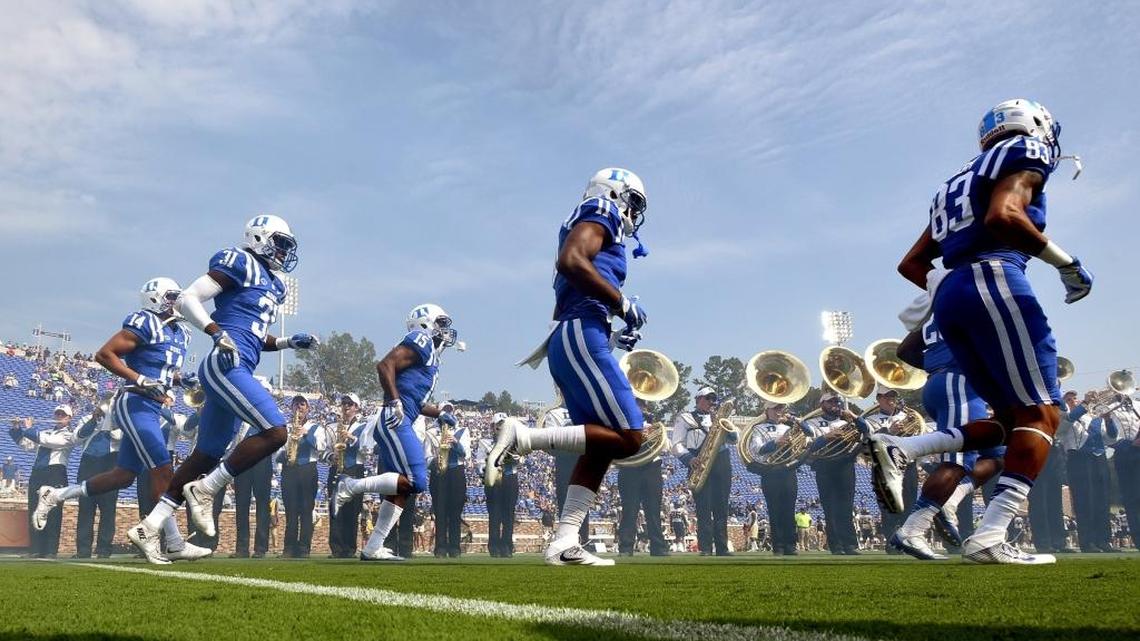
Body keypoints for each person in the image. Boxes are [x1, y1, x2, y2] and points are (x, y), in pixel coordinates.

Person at [872, 98, 1092, 564]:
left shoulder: (958, 180)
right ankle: (991, 535)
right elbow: (1003, 216)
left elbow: (912, 263)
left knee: (1014, 421)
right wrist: (1067, 265)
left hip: (955, 293)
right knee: (1043, 414)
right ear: (1034, 127)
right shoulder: (1024, 152)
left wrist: (949, 283)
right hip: (995, 276)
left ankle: (906, 448)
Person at [127, 216, 318, 564]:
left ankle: (151, 527)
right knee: (276, 431)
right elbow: (188, 298)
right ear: (259, 238)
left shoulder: (274, 285)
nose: (283, 251)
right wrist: (215, 331)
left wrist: (290, 341)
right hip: (226, 364)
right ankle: (206, 490)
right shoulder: (239, 261)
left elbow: (256, 337)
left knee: (207, 454)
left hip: (242, 361)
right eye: (280, 243)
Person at [486, 167, 650, 566]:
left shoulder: (595, 216)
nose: (635, 212)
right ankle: (523, 437)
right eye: (635, 201)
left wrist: (612, 333)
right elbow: (572, 260)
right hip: (580, 331)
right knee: (630, 437)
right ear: (618, 192)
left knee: (599, 446)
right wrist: (621, 304)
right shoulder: (600, 209)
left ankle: (564, 541)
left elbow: (578, 283)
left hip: (577, 332)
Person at [335, 304, 462, 561]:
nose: (444, 330)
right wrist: (394, 402)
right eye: (440, 323)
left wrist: (438, 412)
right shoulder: (421, 339)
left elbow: (414, 401)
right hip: (396, 420)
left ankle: (373, 547)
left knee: (402, 488)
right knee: (418, 481)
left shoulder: (430, 355)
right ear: (425, 323)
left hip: (402, 416)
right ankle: (350, 486)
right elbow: (384, 366)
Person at [886, 318, 1005, 561]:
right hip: (958, 385)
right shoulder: (976, 304)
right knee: (958, 461)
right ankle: (912, 529)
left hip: (950, 383)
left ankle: (950, 501)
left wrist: (934, 366)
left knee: (997, 454)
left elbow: (904, 349)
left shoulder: (941, 310)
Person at [671, 388, 736, 556]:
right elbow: (677, 443)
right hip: (697, 461)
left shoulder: (720, 417)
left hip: (721, 461)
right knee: (703, 508)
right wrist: (688, 459)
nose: (711, 403)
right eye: (708, 399)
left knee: (721, 507)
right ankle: (705, 547)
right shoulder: (685, 418)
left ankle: (722, 547)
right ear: (698, 399)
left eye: (713, 399)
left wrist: (722, 423)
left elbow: (734, 438)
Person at [9, 406, 76, 558]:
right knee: (35, 509)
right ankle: (35, 549)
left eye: (63, 415)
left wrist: (29, 428)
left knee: (52, 511)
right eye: (57, 414)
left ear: (69, 418)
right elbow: (27, 445)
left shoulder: (69, 435)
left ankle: (51, 550)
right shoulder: (45, 431)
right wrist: (16, 428)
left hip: (55, 472)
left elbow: (49, 441)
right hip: (38, 472)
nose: (59, 416)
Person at [803, 391, 863, 555]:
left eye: (837, 402)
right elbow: (810, 446)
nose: (835, 405)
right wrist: (827, 437)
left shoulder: (847, 421)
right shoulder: (813, 423)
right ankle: (835, 545)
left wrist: (854, 416)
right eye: (830, 402)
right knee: (830, 508)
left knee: (846, 507)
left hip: (845, 465)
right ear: (822, 404)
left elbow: (866, 432)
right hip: (824, 466)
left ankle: (849, 544)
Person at [863, 385, 916, 551]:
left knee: (909, 504)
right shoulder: (870, 420)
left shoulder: (909, 417)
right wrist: (889, 431)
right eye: (886, 396)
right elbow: (868, 444)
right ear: (878, 399)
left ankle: (908, 540)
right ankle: (892, 541)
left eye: (893, 396)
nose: (891, 399)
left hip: (908, 465)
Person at [743, 401, 800, 556]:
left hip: (788, 471)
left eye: (781, 407)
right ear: (767, 410)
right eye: (776, 408)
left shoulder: (788, 428)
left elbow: (804, 441)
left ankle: (790, 545)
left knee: (789, 510)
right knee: (774, 510)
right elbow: (756, 450)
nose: (779, 411)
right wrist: (775, 442)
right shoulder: (758, 428)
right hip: (770, 471)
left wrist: (795, 422)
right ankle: (778, 546)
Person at [1065, 394, 1118, 552]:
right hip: (1079, 458)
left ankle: (1104, 540)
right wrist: (1085, 404)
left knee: (1102, 500)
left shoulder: (1094, 417)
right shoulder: (1066, 416)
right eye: (1070, 399)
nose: (1075, 400)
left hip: (1099, 458)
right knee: (1084, 501)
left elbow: (1111, 437)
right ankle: (1087, 542)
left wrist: (1108, 420)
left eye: (1076, 398)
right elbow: (1066, 423)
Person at [278, 395, 325, 558]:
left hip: (307, 469)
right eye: (296, 404)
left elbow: (321, 446)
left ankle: (304, 547)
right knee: (291, 511)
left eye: (302, 404)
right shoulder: (285, 427)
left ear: (308, 408)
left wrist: (306, 434)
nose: (299, 407)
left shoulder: (316, 427)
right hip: (289, 468)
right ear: (291, 407)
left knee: (306, 510)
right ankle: (289, 548)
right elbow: (279, 449)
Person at [72, 404, 122, 558]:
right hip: (88, 465)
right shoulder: (87, 418)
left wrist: (110, 421)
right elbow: (77, 437)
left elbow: (118, 436)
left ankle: (104, 549)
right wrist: (94, 419)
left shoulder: (119, 421)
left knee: (108, 511)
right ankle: (83, 550)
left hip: (110, 465)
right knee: (85, 510)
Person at [326, 393, 373, 558]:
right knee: (335, 510)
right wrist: (331, 457)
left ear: (357, 407)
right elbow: (323, 450)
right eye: (344, 403)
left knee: (352, 511)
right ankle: (336, 549)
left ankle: (349, 548)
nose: (346, 406)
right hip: (337, 470)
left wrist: (351, 438)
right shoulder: (332, 426)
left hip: (355, 470)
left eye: (350, 404)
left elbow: (368, 450)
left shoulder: (364, 427)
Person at [428, 404, 470, 558]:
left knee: (455, 511)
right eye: (444, 411)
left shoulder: (462, 431)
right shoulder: (431, 432)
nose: (447, 414)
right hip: (438, 472)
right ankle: (440, 547)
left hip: (456, 472)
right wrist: (436, 459)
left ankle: (454, 547)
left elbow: (466, 454)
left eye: (449, 411)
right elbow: (425, 457)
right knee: (440, 511)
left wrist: (455, 443)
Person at [485, 413, 520, 557]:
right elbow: (480, 462)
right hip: (493, 479)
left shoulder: (515, 443)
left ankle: (507, 546)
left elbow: (520, 459)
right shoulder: (485, 443)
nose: (501, 428)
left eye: (503, 425)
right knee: (494, 514)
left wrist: (514, 456)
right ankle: (493, 546)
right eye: (498, 425)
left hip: (510, 477)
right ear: (493, 427)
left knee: (509, 514)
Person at [1108, 397, 1140, 550]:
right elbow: (1109, 437)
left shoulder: (1138, 405)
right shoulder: (1110, 408)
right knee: (1132, 498)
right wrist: (1130, 444)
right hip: (1124, 454)